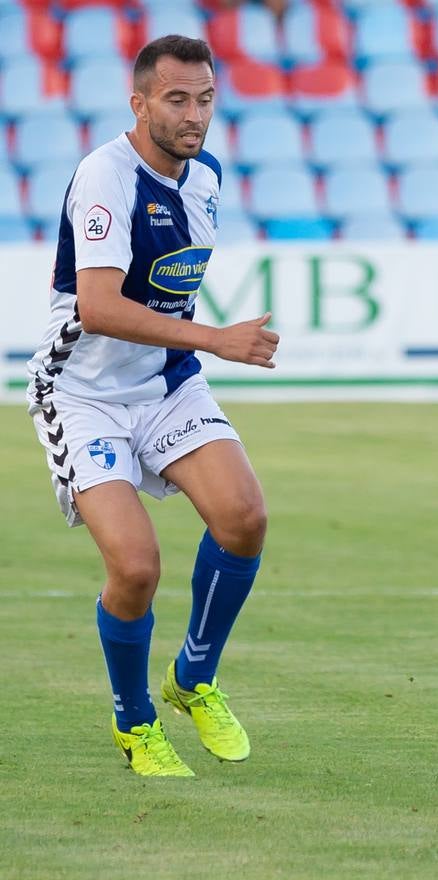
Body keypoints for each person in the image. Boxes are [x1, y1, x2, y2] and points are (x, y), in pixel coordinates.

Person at [26, 35, 280, 777]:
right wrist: (216, 340)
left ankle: (193, 679)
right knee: (136, 568)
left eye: (204, 98)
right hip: (82, 393)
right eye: (176, 100)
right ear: (139, 104)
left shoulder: (206, 175)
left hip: (165, 381)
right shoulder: (105, 175)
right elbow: (99, 307)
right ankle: (134, 720)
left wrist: (196, 348)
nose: (193, 114)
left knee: (245, 518)